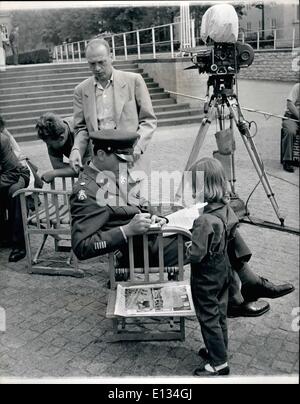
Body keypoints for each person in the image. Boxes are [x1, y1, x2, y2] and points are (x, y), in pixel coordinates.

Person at [70, 131, 294, 317]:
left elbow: (138, 203)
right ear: (100, 154)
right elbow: (82, 247)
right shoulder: (86, 191)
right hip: (139, 250)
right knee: (217, 232)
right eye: (121, 159)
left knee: (218, 218)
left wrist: (158, 215)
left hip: (154, 235)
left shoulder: (115, 172)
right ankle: (244, 289)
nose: (126, 165)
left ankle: (243, 290)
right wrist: (126, 230)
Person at [68, 38, 157, 177]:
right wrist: (76, 149)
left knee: (130, 197)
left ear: (111, 57)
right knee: (105, 198)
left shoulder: (134, 81)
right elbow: (81, 128)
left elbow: (148, 120)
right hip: (100, 163)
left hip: (130, 160)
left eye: (101, 62)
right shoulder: (81, 90)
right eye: (92, 64)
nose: (97, 68)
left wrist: (137, 148)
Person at [187, 158, 239, 376]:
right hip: (223, 271)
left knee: (207, 317)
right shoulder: (226, 209)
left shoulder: (204, 220)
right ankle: (218, 350)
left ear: (201, 188)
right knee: (219, 314)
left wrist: (188, 244)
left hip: (206, 277)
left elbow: (196, 255)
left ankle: (218, 363)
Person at [0, 115, 30, 262]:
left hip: (18, 173)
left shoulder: (2, 139)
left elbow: (12, 173)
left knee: (14, 192)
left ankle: (19, 245)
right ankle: (4, 234)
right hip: (4, 176)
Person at [35, 113, 92, 183]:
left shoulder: (81, 133)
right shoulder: (51, 134)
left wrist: (54, 173)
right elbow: (58, 166)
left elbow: (86, 170)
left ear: (61, 138)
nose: (49, 146)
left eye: (49, 144)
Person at [281, 83, 299, 173]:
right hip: (292, 117)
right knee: (290, 131)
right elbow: (290, 104)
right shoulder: (297, 87)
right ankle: (287, 160)